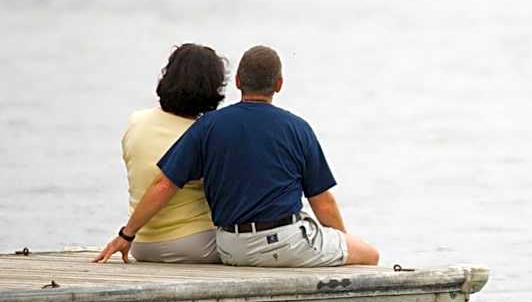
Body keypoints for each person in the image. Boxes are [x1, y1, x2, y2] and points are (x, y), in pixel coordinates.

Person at [96, 45, 379, 268]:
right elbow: (323, 203)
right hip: (283, 243)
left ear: (239, 81)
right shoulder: (298, 128)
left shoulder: (207, 126)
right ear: (279, 84)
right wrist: (342, 240)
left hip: (231, 247)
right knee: (370, 256)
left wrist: (127, 234)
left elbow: (163, 184)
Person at [121, 43, 226, 264]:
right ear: (213, 88)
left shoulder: (136, 121)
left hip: (140, 244)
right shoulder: (207, 133)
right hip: (197, 244)